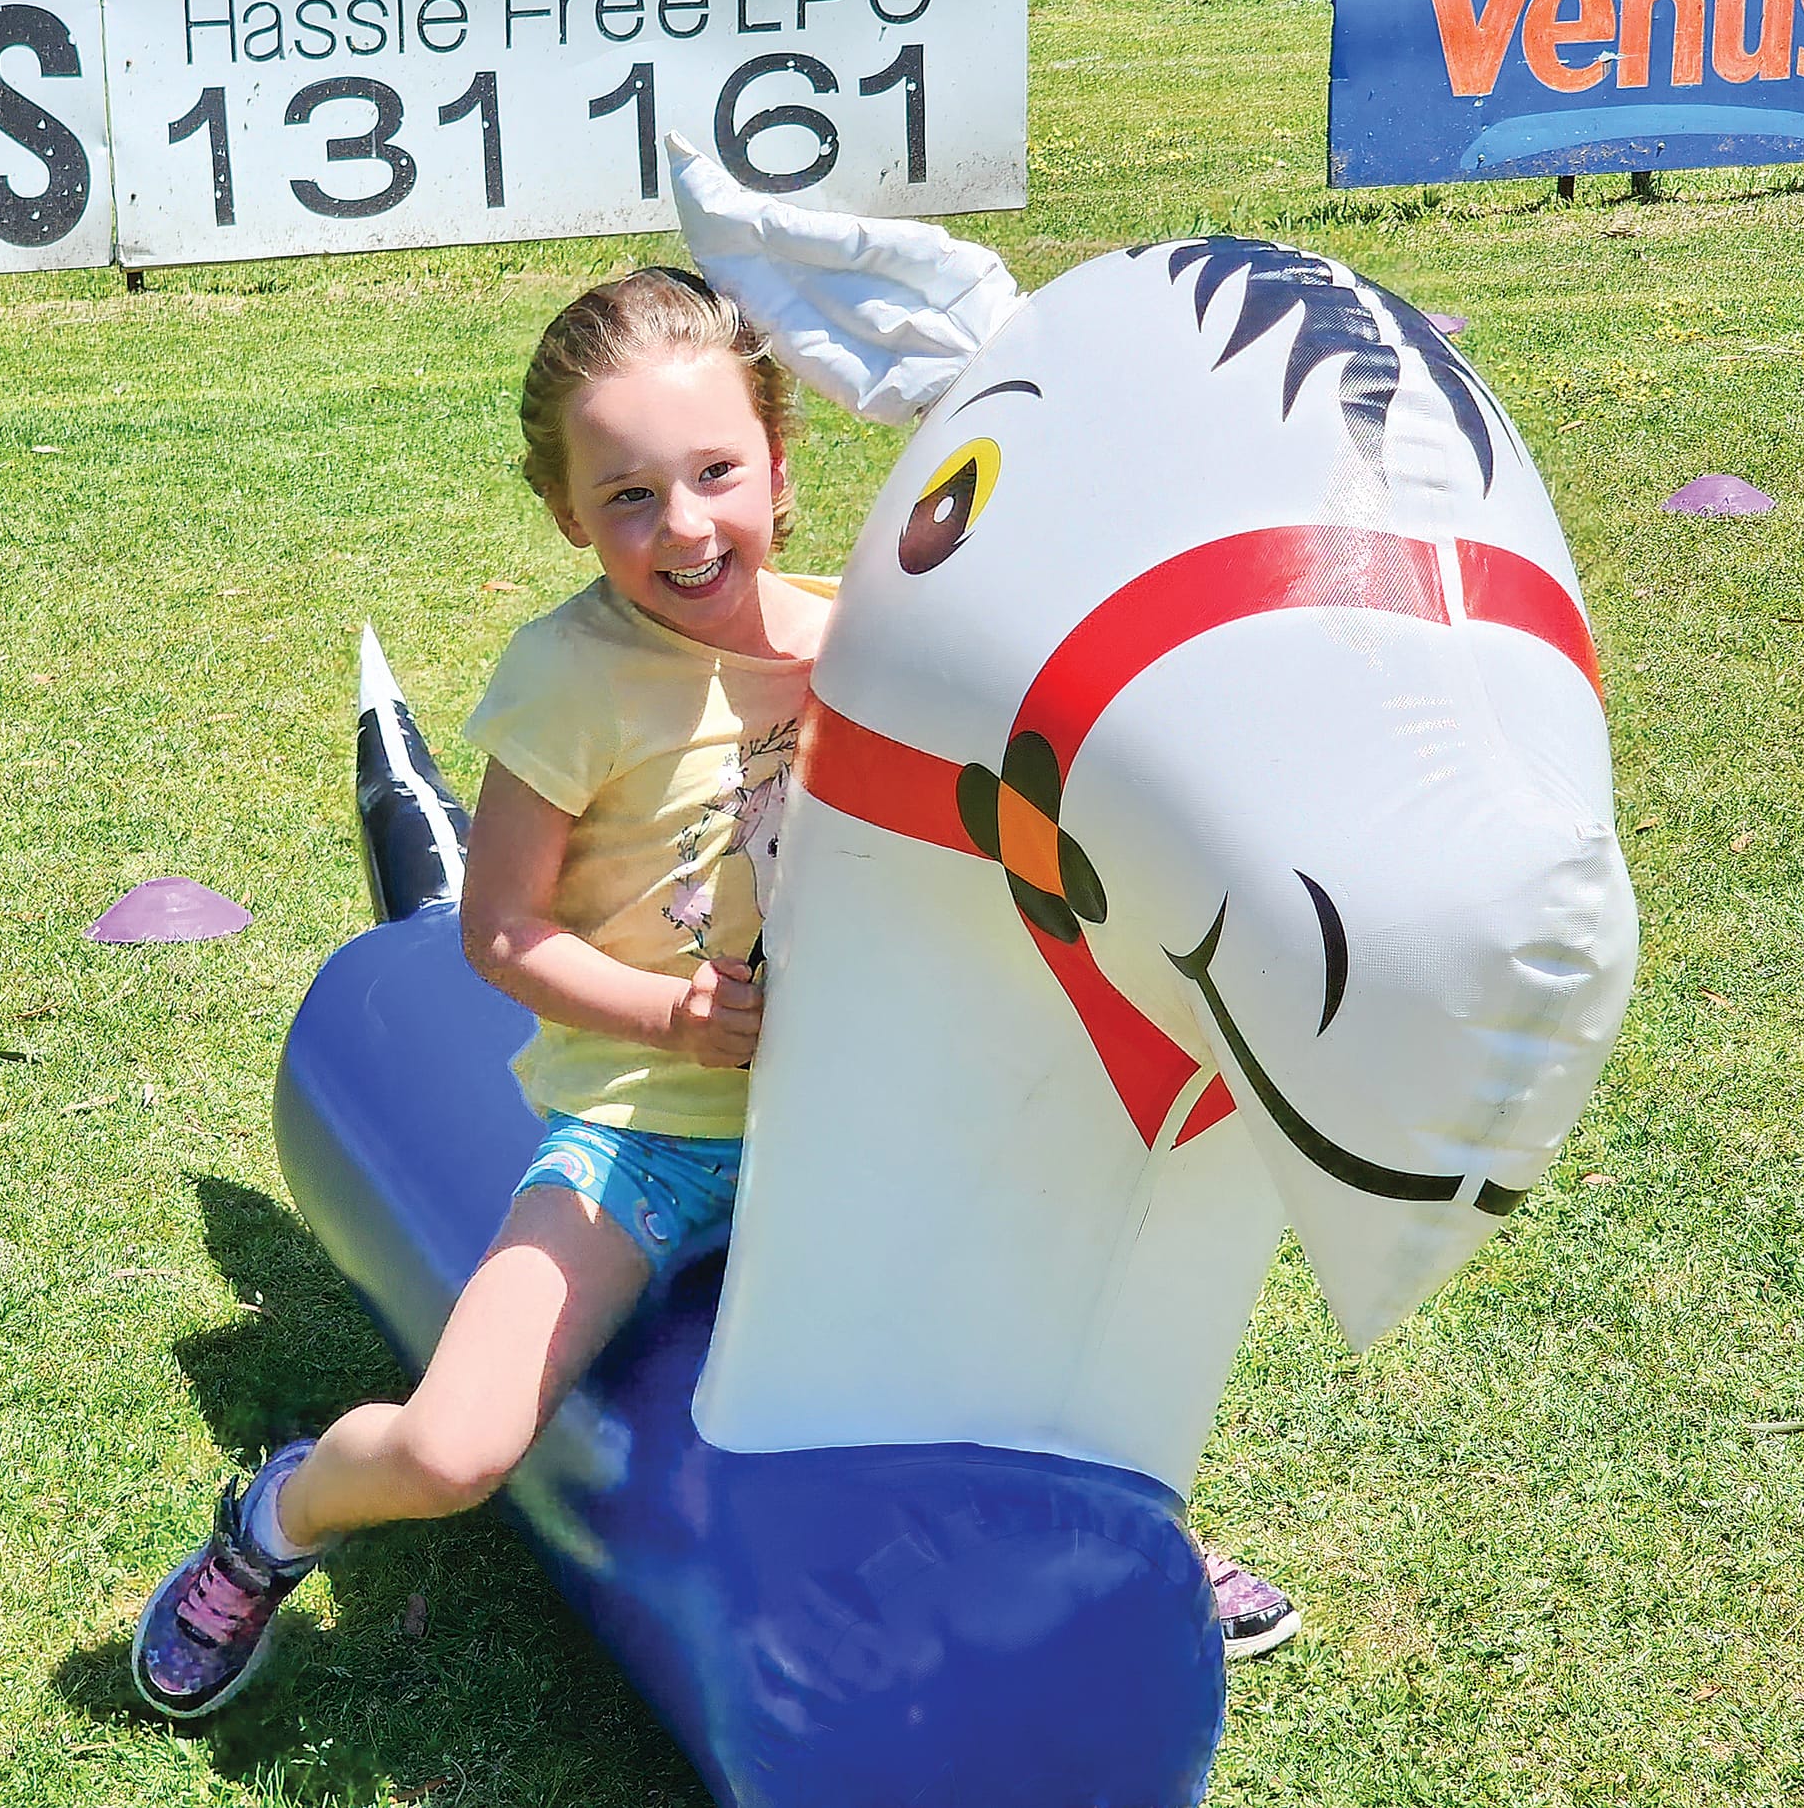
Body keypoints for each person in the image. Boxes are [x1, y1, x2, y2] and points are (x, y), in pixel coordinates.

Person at [131, 263, 1296, 1720]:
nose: (682, 526)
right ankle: (279, 1521)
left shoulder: (866, 644)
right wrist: (665, 1016)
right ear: (567, 513)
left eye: (713, 473)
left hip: (849, 1127)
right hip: (643, 1137)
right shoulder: (566, 678)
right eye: (626, 496)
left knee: (1028, 1345)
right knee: (458, 1448)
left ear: (782, 464)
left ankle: (1137, 1543)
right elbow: (498, 934)